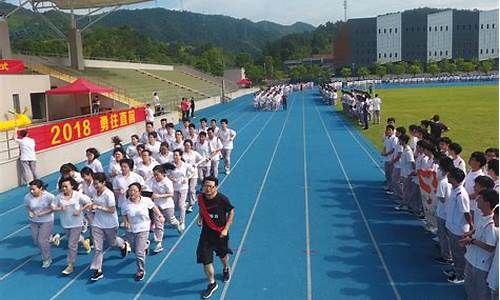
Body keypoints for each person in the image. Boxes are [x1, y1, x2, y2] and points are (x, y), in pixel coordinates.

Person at [196, 176, 234, 299]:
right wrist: (200, 217)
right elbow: (202, 209)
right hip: (206, 234)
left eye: (210, 186)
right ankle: (212, 283)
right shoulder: (201, 198)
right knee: (206, 259)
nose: (207, 189)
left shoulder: (222, 199)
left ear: (215, 187)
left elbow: (231, 211)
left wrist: (226, 228)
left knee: (222, 255)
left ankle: (226, 267)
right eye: (205, 186)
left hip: (220, 233)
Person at [89, 173, 130, 281]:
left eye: (97, 183)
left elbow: (112, 210)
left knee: (112, 242)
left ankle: (122, 244)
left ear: (103, 183)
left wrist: (98, 207)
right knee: (98, 248)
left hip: (110, 223)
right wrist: (92, 207)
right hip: (97, 223)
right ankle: (98, 270)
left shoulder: (109, 194)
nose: (95, 185)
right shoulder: (94, 192)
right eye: (94, 183)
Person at [122, 183, 164, 281]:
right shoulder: (125, 203)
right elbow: (124, 215)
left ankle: (141, 270)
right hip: (131, 229)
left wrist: (160, 215)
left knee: (138, 252)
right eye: (130, 190)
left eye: (134, 191)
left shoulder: (146, 201)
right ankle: (145, 245)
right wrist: (126, 222)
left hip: (143, 228)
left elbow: (154, 207)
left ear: (139, 192)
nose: (132, 193)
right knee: (133, 249)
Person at [461, 189, 498, 299]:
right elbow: (478, 230)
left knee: (481, 294)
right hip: (471, 259)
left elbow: (490, 247)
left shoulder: (491, 224)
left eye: (480, 198)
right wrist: (471, 233)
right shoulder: (483, 216)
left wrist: (471, 241)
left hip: (481, 265)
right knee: (470, 288)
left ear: (487, 203)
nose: (476, 200)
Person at [52, 177, 92, 275]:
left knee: (71, 245)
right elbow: (52, 207)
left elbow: (89, 202)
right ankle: (84, 242)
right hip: (65, 223)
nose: (64, 189)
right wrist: (59, 208)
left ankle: (70, 265)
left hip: (77, 223)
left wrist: (80, 210)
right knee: (75, 239)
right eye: (62, 187)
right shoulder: (58, 197)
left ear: (72, 186)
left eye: (66, 186)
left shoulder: (78, 195)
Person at [444, 167, 473, 284]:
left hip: (458, 229)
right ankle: (457, 270)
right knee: (455, 252)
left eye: (450, 176)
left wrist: (470, 226)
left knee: (459, 254)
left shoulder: (461, 194)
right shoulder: (454, 189)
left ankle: (461, 275)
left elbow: (466, 212)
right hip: (452, 226)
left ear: (455, 179)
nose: (448, 177)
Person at [149, 165, 181, 253]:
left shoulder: (167, 182)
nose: (155, 177)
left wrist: (159, 196)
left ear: (162, 174)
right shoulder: (152, 180)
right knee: (158, 223)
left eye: (157, 175)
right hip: (156, 205)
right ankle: (159, 243)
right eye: (154, 175)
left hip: (167, 204)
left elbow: (171, 194)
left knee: (171, 220)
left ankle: (177, 224)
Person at [25, 179, 56, 268]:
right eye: (30, 189)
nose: (31, 191)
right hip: (34, 221)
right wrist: (30, 212)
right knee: (36, 240)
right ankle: (51, 239)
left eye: (34, 189)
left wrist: (44, 213)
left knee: (41, 240)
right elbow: (27, 206)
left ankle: (47, 259)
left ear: (40, 188)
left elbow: (54, 208)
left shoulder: (49, 196)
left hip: (46, 220)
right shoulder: (28, 197)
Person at [168, 149, 194, 233]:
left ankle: (182, 222)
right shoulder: (171, 165)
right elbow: (167, 174)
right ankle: (185, 205)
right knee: (175, 205)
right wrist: (172, 178)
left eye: (177, 155)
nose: (175, 157)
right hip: (174, 188)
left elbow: (193, 171)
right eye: (174, 155)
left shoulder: (185, 165)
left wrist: (187, 178)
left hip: (183, 187)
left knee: (180, 205)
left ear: (180, 156)